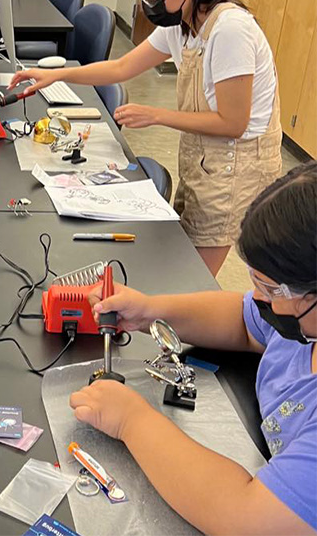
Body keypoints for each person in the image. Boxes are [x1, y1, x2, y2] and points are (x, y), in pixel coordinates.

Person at [10, 0, 282, 277]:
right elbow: (121, 67)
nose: (147, 1)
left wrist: (156, 115)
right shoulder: (182, 24)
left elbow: (233, 122)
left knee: (192, 278)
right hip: (206, 156)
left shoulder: (230, 30)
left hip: (236, 163)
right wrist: (55, 74)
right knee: (183, 259)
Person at [69, 161, 316, 535]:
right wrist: (150, 311)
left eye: (270, 288)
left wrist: (132, 421)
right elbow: (243, 320)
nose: (259, 300)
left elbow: (245, 517)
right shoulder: (300, 324)